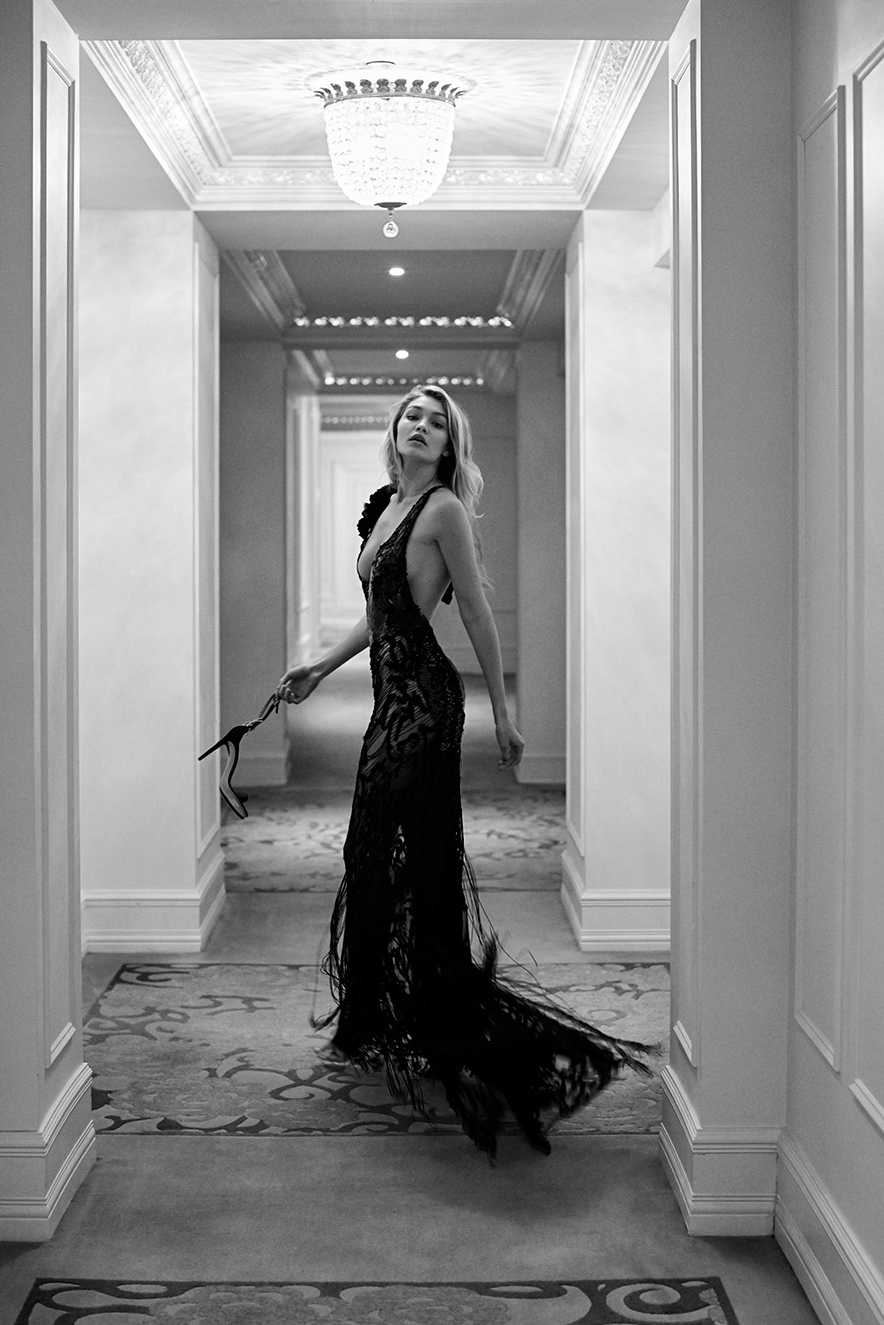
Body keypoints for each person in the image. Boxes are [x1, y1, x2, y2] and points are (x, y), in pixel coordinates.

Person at [277, 384, 649, 1157]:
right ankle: (392, 1015)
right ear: (395, 429)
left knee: (396, 859)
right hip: (389, 701)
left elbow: (474, 609)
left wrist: (504, 715)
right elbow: (380, 616)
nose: (421, 425)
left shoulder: (441, 508)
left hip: (426, 706)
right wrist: (319, 666)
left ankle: (422, 1019)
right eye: (412, 415)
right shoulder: (388, 505)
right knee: (377, 857)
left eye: (437, 421)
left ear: (450, 445)